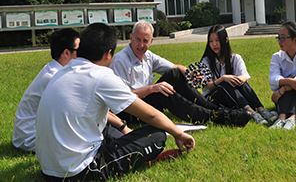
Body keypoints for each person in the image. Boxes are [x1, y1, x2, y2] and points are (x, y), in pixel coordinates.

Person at [35, 23, 195, 181]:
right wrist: (178, 133)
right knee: (157, 135)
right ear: (108, 54)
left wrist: (124, 128)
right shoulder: (100, 75)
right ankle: (142, 159)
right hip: (77, 173)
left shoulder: (61, 71)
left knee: (107, 124)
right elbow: (150, 115)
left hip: (48, 169)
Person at [111, 21, 250, 127]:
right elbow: (122, 98)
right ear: (131, 37)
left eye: (145, 41)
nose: (141, 45)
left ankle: (217, 110)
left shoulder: (148, 56)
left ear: (151, 41)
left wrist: (197, 77)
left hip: (146, 101)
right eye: (138, 40)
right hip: (131, 110)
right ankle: (214, 117)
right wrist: (152, 88)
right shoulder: (120, 60)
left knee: (175, 74)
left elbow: (175, 69)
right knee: (162, 91)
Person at [12, 28, 80, 152]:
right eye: (79, 50)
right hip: (30, 138)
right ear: (66, 53)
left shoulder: (53, 69)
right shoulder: (55, 77)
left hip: (29, 133)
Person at [200, 25, 278, 126]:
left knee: (241, 83)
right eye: (211, 41)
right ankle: (252, 113)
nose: (214, 44)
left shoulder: (235, 58)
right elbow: (207, 86)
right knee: (225, 83)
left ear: (226, 40)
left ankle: (261, 110)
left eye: (217, 40)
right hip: (213, 98)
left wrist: (236, 79)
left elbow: (244, 76)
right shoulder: (206, 61)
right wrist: (223, 78)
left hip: (230, 95)